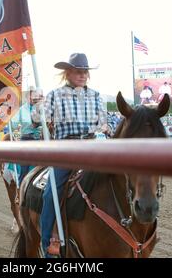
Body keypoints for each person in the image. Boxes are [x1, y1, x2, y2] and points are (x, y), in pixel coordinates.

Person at [39, 53, 112, 257]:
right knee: (51, 192)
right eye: (78, 71)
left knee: (116, 179)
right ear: (68, 73)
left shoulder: (96, 95)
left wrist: (105, 126)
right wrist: (39, 106)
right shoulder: (55, 95)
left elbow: (104, 121)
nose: (82, 75)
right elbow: (39, 118)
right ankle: (48, 245)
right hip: (66, 149)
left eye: (85, 71)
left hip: (91, 146)